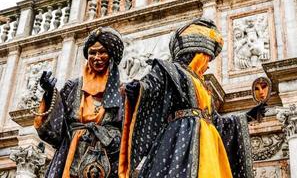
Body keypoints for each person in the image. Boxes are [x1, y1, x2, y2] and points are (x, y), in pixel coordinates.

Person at [119, 18, 264, 178]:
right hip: (178, 142)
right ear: (197, 53)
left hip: (210, 147)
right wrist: (138, 89)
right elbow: (152, 86)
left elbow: (216, 121)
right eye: (207, 57)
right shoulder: (170, 70)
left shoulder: (202, 86)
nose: (208, 64)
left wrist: (248, 116)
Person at [33, 27, 124, 178]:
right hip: (70, 155)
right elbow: (55, 130)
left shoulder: (123, 92)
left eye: (102, 52)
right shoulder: (73, 87)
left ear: (112, 55)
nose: (96, 57)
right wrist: (49, 94)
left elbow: (129, 131)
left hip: (106, 160)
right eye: (92, 53)